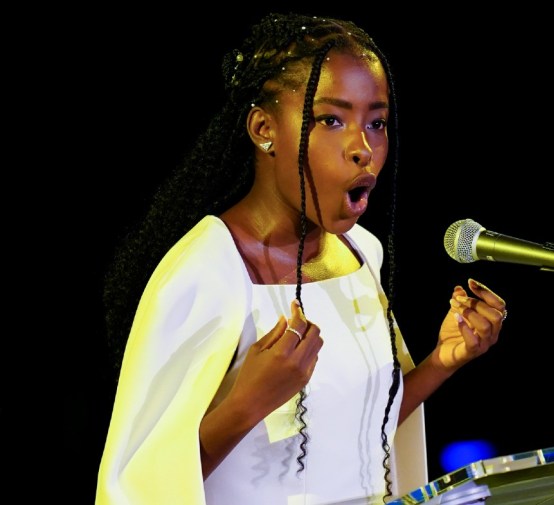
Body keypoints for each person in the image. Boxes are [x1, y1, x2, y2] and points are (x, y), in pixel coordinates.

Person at [96, 12, 507, 505]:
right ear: (264, 128)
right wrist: (248, 403)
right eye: (332, 120)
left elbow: (358, 430)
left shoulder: (362, 254)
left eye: (376, 123)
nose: (363, 149)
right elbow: (139, 487)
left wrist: (442, 362)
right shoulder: (205, 271)